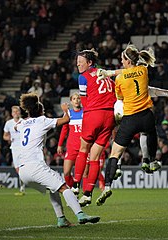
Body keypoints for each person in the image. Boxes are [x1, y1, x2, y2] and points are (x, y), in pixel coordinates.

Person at [16, 93, 100, 227]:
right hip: (35, 166)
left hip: (22, 171)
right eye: (42, 110)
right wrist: (65, 109)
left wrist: (22, 121)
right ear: (39, 110)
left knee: (53, 188)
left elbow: (16, 126)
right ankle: (80, 214)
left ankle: (61, 219)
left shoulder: (22, 124)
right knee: (64, 187)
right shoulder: (42, 120)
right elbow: (66, 120)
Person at [95, 44, 159, 206]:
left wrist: (110, 73)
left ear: (127, 61)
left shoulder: (120, 78)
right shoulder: (144, 71)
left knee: (115, 154)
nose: (121, 62)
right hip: (146, 116)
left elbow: (120, 98)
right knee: (151, 132)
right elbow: (131, 70)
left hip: (130, 118)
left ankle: (107, 186)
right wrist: (112, 72)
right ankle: (151, 161)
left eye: (122, 59)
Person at [72, 49, 116, 207]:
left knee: (84, 149)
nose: (78, 64)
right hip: (110, 116)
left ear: (89, 63)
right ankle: (88, 194)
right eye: (77, 61)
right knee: (95, 156)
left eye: (80, 61)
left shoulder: (83, 77)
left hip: (94, 114)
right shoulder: (107, 76)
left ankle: (76, 184)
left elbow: (84, 101)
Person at [57, 92, 106, 191]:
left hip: (84, 147)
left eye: (78, 98)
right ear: (71, 101)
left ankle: (84, 195)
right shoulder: (68, 114)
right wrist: (59, 144)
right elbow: (64, 130)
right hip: (71, 147)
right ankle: (72, 191)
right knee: (66, 172)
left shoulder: (85, 112)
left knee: (85, 172)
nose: (77, 100)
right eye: (74, 99)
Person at [3, 105, 26, 196]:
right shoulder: (9, 123)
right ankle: (23, 186)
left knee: (24, 167)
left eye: (17, 111)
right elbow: (4, 136)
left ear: (20, 112)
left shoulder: (24, 122)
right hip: (14, 148)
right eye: (14, 111)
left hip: (24, 148)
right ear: (12, 113)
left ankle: (22, 188)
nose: (16, 113)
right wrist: (8, 137)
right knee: (18, 169)